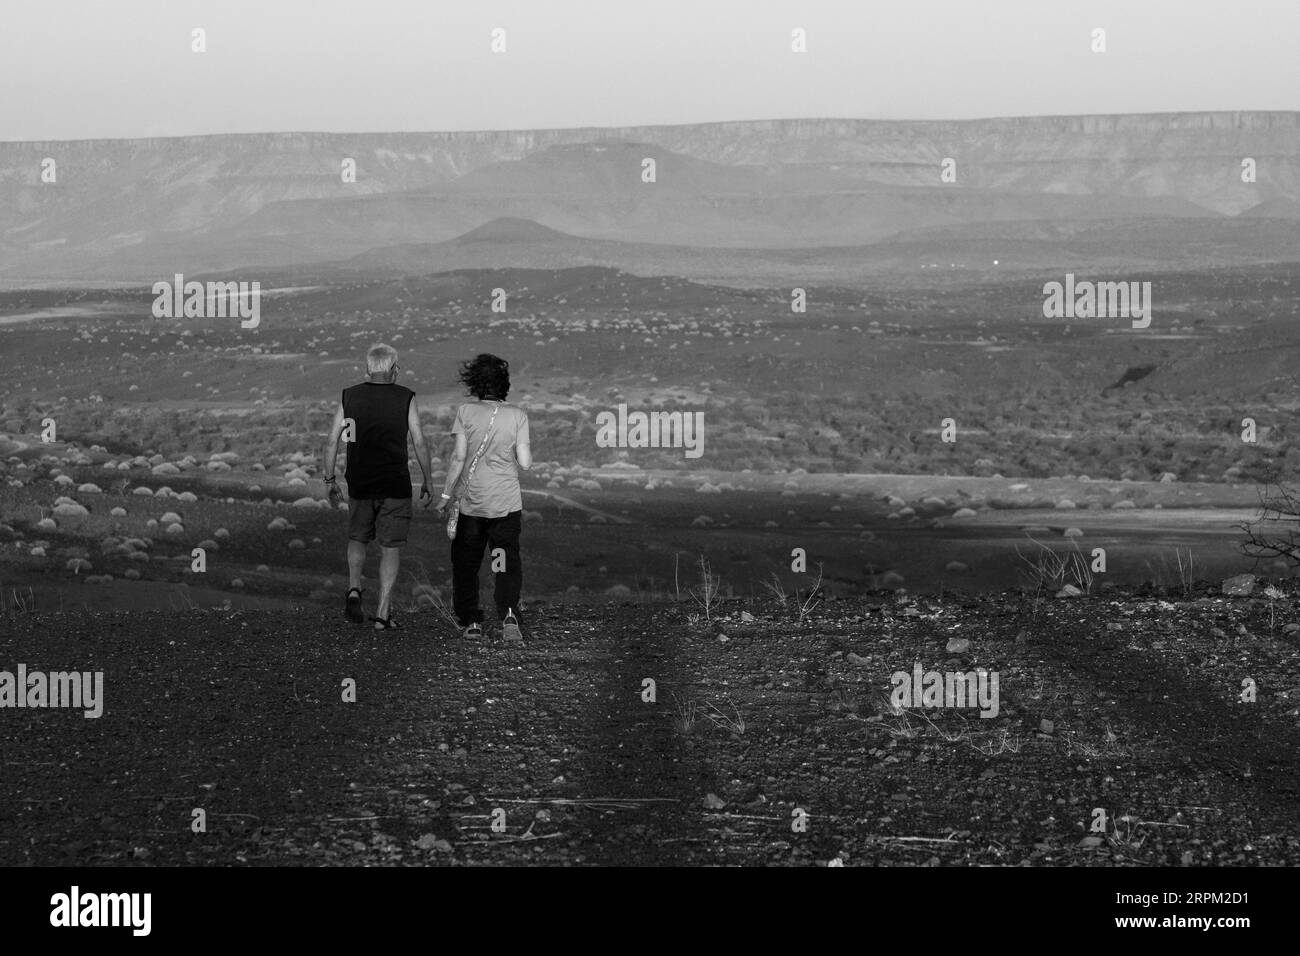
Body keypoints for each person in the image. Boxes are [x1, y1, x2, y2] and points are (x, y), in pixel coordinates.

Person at [322, 344, 433, 630]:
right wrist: (428, 479)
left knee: (358, 537)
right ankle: (383, 613)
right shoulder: (405, 397)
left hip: (360, 481)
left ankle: (354, 588)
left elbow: (333, 440)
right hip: (394, 483)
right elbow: (419, 440)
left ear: (368, 370)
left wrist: (330, 480)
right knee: (390, 547)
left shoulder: (350, 396)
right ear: (394, 369)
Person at [436, 354, 531, 642]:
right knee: (504, 561)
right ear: (504, 384)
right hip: (506, 504)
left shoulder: (465, 412)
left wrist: (445, 495)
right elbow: (525, 463)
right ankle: (509, 615)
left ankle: (472, 622)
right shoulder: (517, 415)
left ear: (475, 382)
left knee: (467, 564)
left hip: (472, 505)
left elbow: (458, 458)